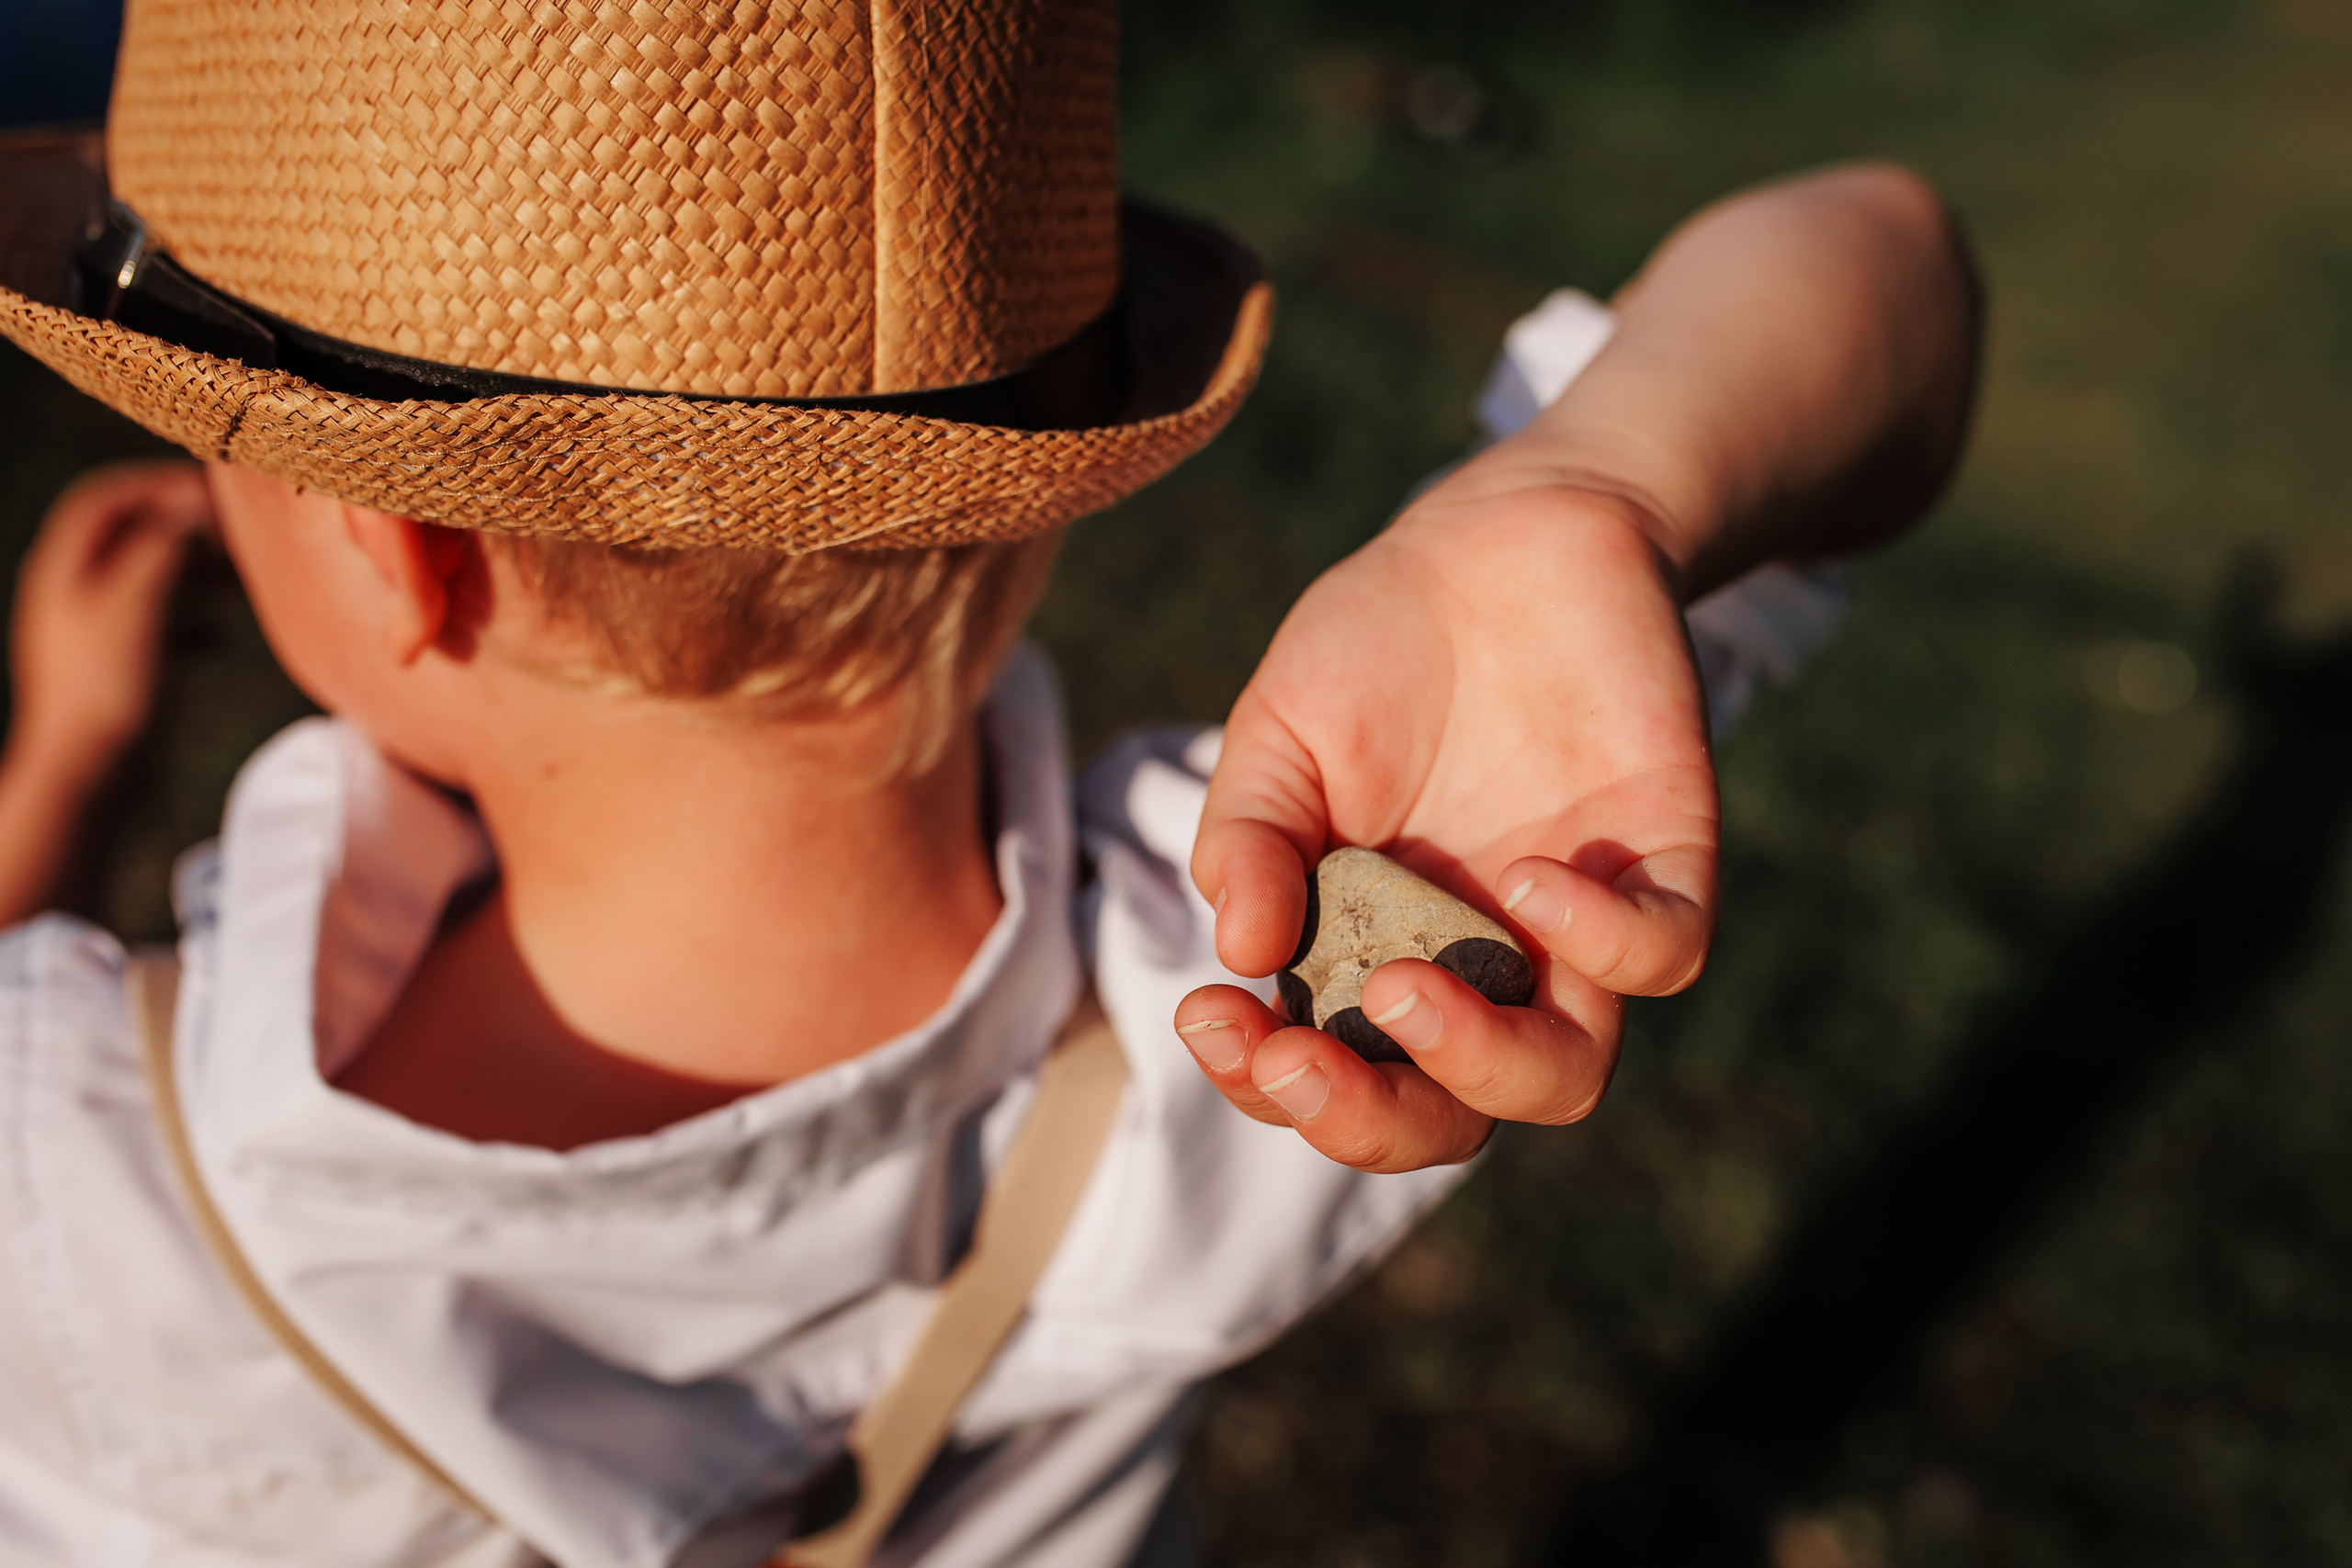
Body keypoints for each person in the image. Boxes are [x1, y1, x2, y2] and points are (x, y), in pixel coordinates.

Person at [0, 5, 1979, 1566]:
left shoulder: (69, 1174)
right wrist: (1581, 496)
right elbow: (1886, 248)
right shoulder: (1264, 1012)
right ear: (1035, 488)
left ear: (394, 554)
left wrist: (60, 777)